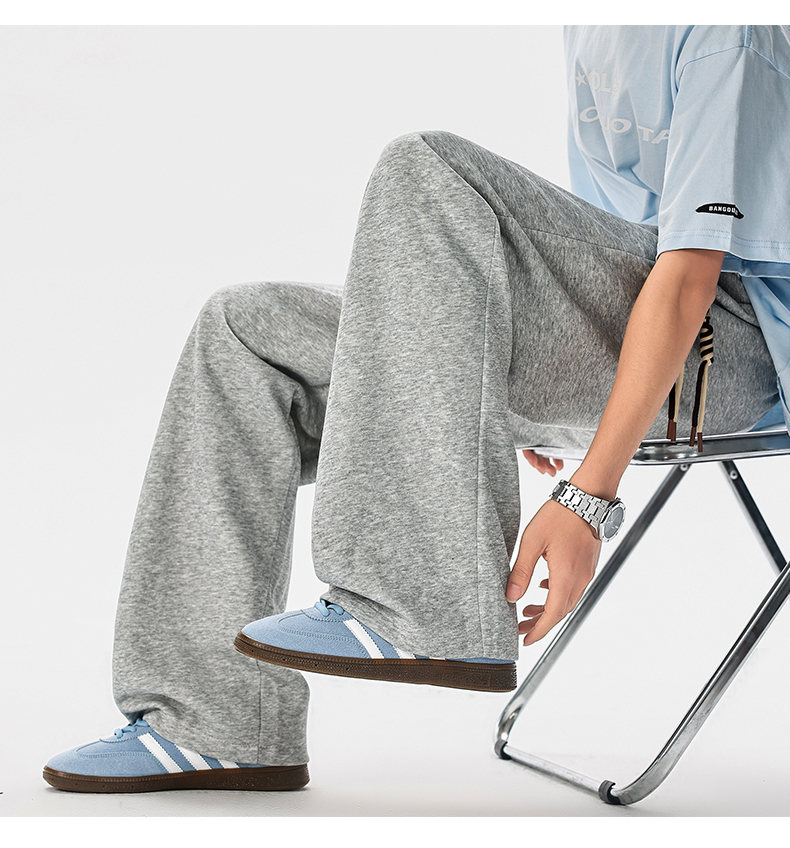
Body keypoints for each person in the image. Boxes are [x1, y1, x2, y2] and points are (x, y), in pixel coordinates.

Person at [43, 25, 790, 793]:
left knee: (429, 168)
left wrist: (589, 494)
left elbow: (688, 274)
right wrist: (516, 373)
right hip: (634, 328)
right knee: (249, 329)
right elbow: (605, 244)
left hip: (733, 350)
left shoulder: (727, 30)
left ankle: (422, 602)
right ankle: (212, 723)